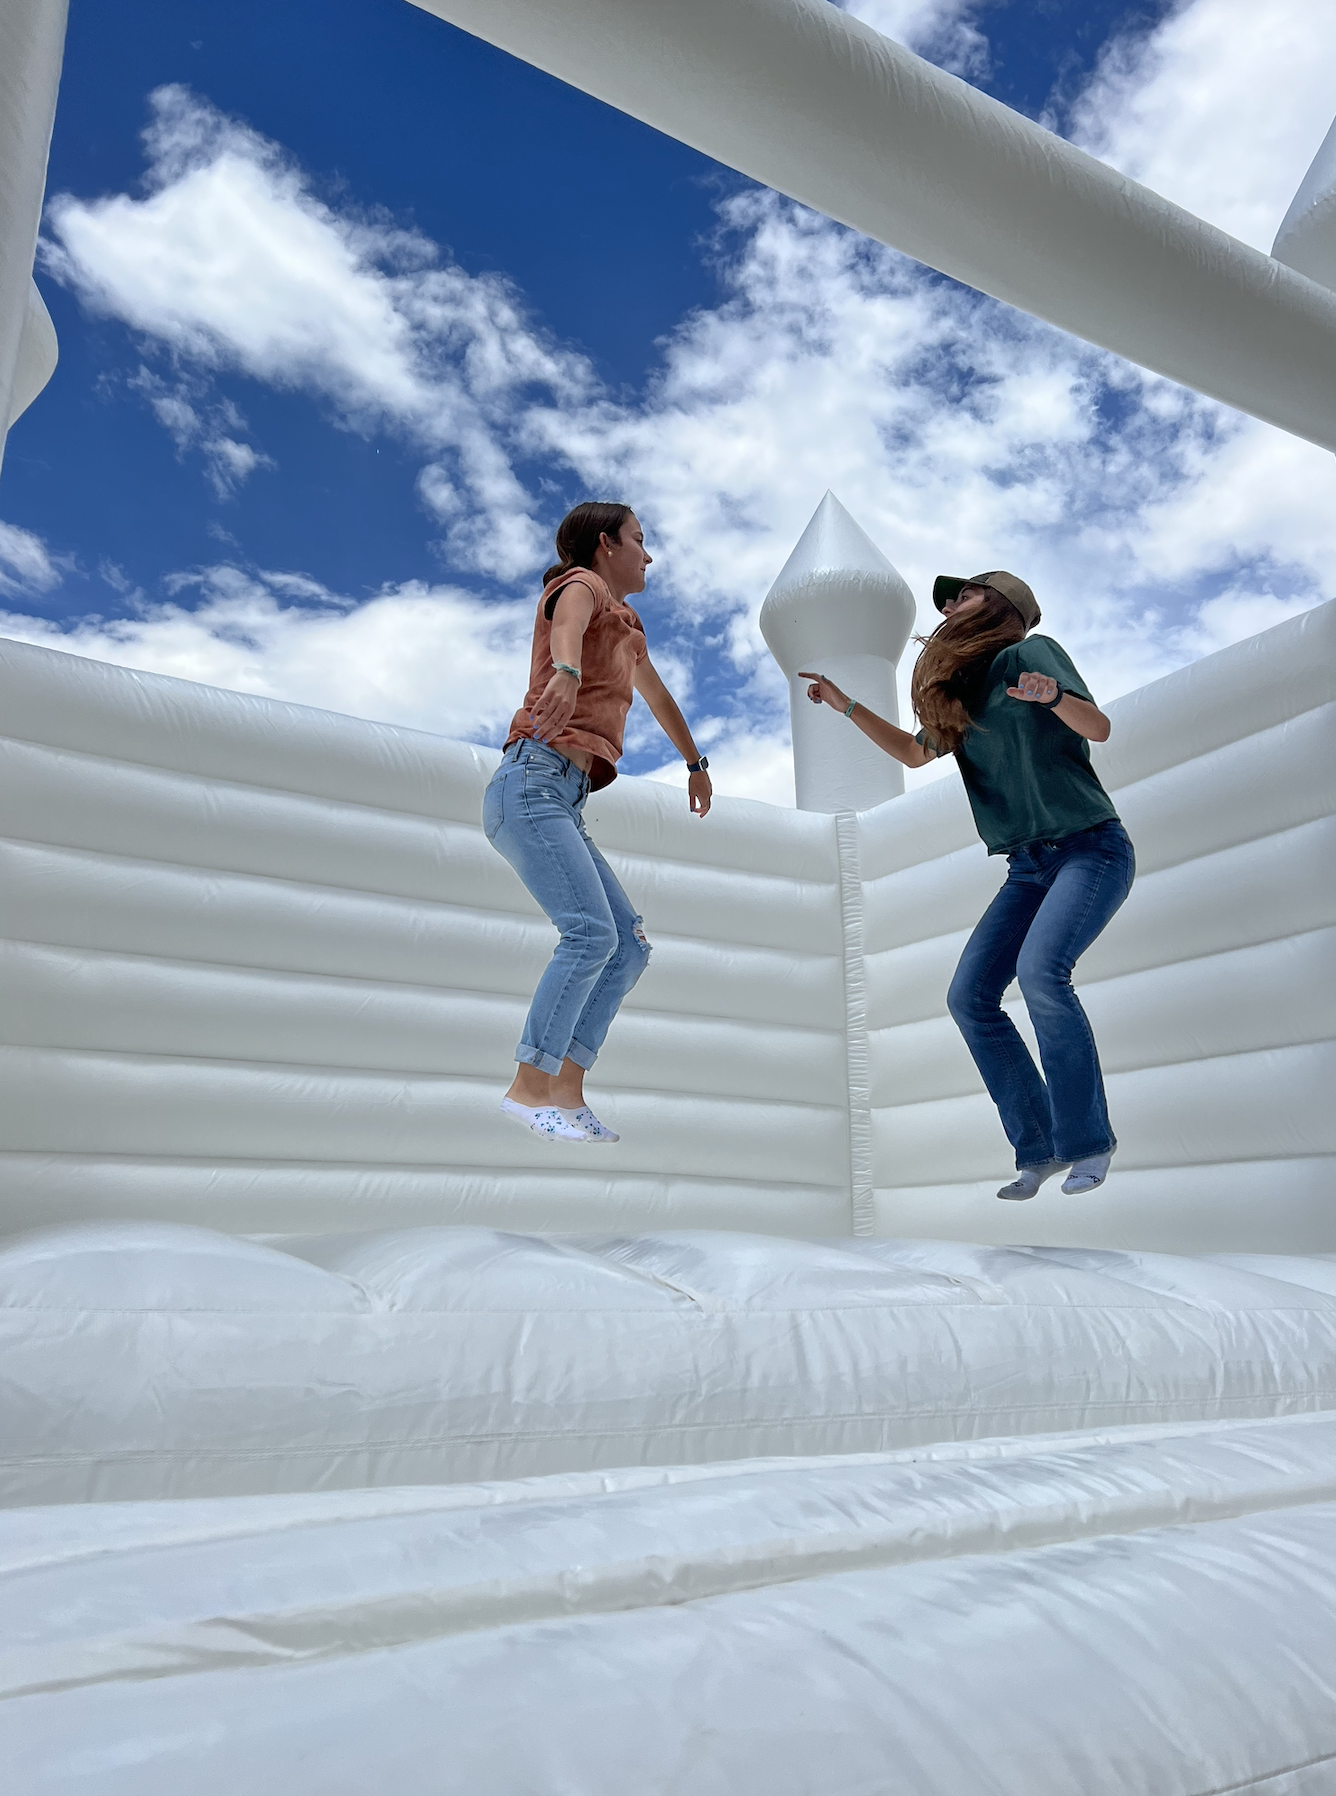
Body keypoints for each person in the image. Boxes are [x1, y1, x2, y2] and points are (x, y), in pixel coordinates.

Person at [800, 570, 1134, 1200]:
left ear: (1002, 605)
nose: (950, 606)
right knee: (969, 997)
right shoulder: (959, 693)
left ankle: (1089, 1140)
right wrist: (845, 704)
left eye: (965, 594)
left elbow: (1099, 728)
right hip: (1027, 868)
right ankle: (1038, 1147)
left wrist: (1052, 696)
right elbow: (911, 753)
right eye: (948, 602)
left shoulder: (1026, 654)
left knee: (1041, 973)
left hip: (1090, 848)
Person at [483, 502, 713, 1144]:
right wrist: (565, 670)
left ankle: (566, 1089)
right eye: (640, 540)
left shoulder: (627, 624)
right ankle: (528, 1088)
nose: (649, 554)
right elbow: (568, 621)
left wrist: (695, 761)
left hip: (564, 796)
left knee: (627, 947)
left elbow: (658, 696)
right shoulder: (580, 585)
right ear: (606, 544)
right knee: (588, 934)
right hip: (531, 781)